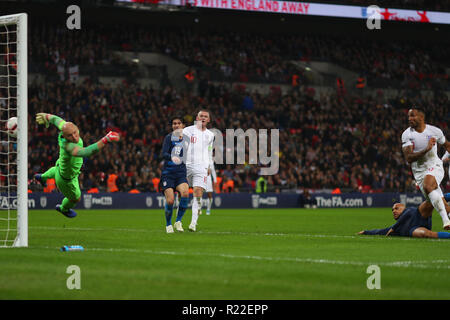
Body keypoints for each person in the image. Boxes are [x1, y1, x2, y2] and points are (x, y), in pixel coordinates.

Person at [34, 112, 120, 217]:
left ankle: (42, 177)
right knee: (75, 198)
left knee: (57, 169)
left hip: (61, 167)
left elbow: (55, 119)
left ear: (77, 128)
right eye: (70, 136)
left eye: (75, 133)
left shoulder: (65, 127)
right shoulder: (68, 146)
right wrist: (106, 139)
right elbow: (86, 152)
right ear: (64, 136)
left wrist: (46, 116)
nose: (74, 137)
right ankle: (63, 208)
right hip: (67, 180)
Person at [401, 107, 450, 230]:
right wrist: (427, 149)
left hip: (435, 165)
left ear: (421, 117)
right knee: (437, 198)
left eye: (413, 116)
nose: (410, 119)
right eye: (409, 116)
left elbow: (447, 145)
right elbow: (409, 158)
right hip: (418, 172)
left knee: (428, 186)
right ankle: (448, 215)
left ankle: (445, 221)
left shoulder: (435, 131)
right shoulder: (407, 135)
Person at [182, 110, 215, 232]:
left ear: (209, 120)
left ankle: (193, 223)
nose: (203, 118)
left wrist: (209, 166)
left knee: (197, 190)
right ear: (197, 117)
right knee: (183, 192)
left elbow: (209, 151)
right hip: (186, 165)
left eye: (206, 116)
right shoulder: (188, 130)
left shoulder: (210, 135)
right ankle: (197, 205)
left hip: (201, 166)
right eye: (201, 116)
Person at [358, 199, 450, 239]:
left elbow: (408, 213)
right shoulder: (396, 228)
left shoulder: (409, 211)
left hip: (419, 215)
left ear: (403, 208)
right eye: (392, 210)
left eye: (397, 208)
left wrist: (393, 228)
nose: (394, 211)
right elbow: (380, 231)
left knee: (432, 199)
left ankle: (447, 196)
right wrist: (366, 232)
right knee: (424, 234)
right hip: (413, 229)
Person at [160, 115, 190, 234]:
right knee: (171, 201)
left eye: (178, 123)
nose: (176, 125)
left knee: (185, 193)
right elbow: (163, 154)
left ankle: (178, 221)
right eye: (174, 123)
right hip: (168, 174)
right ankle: (168, 224)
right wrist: (173, 157)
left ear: (183, 125)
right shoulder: (168, 138)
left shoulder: (187, 139)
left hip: (181, 173)